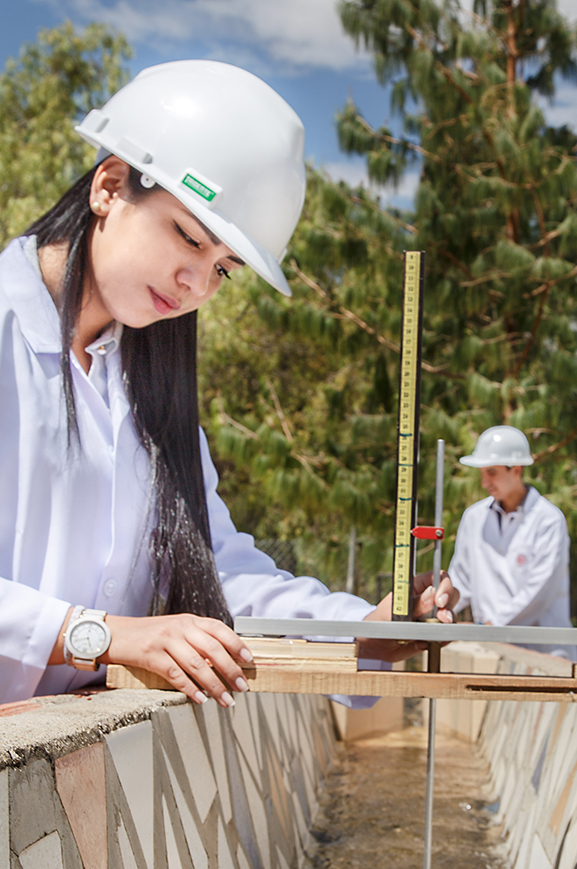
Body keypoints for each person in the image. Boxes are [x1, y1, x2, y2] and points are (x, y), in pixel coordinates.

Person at [0, 59, 456, 707]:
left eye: (224, 269)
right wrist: (99, 635)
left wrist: (360, 633)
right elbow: (117, 634)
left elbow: (217, 570)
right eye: (188, 237)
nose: (196, 285)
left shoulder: (148, 397)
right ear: (109, 186)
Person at [447, 426, 577, 661]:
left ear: (516, 469)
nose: (485, 481)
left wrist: (491, 625)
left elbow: (539, 591)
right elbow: (461, 580)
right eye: (482, 472)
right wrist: (440, 611)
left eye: (492, 472)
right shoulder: (474, 518)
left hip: (544, 655)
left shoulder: (548, 520)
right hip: (490, 652)